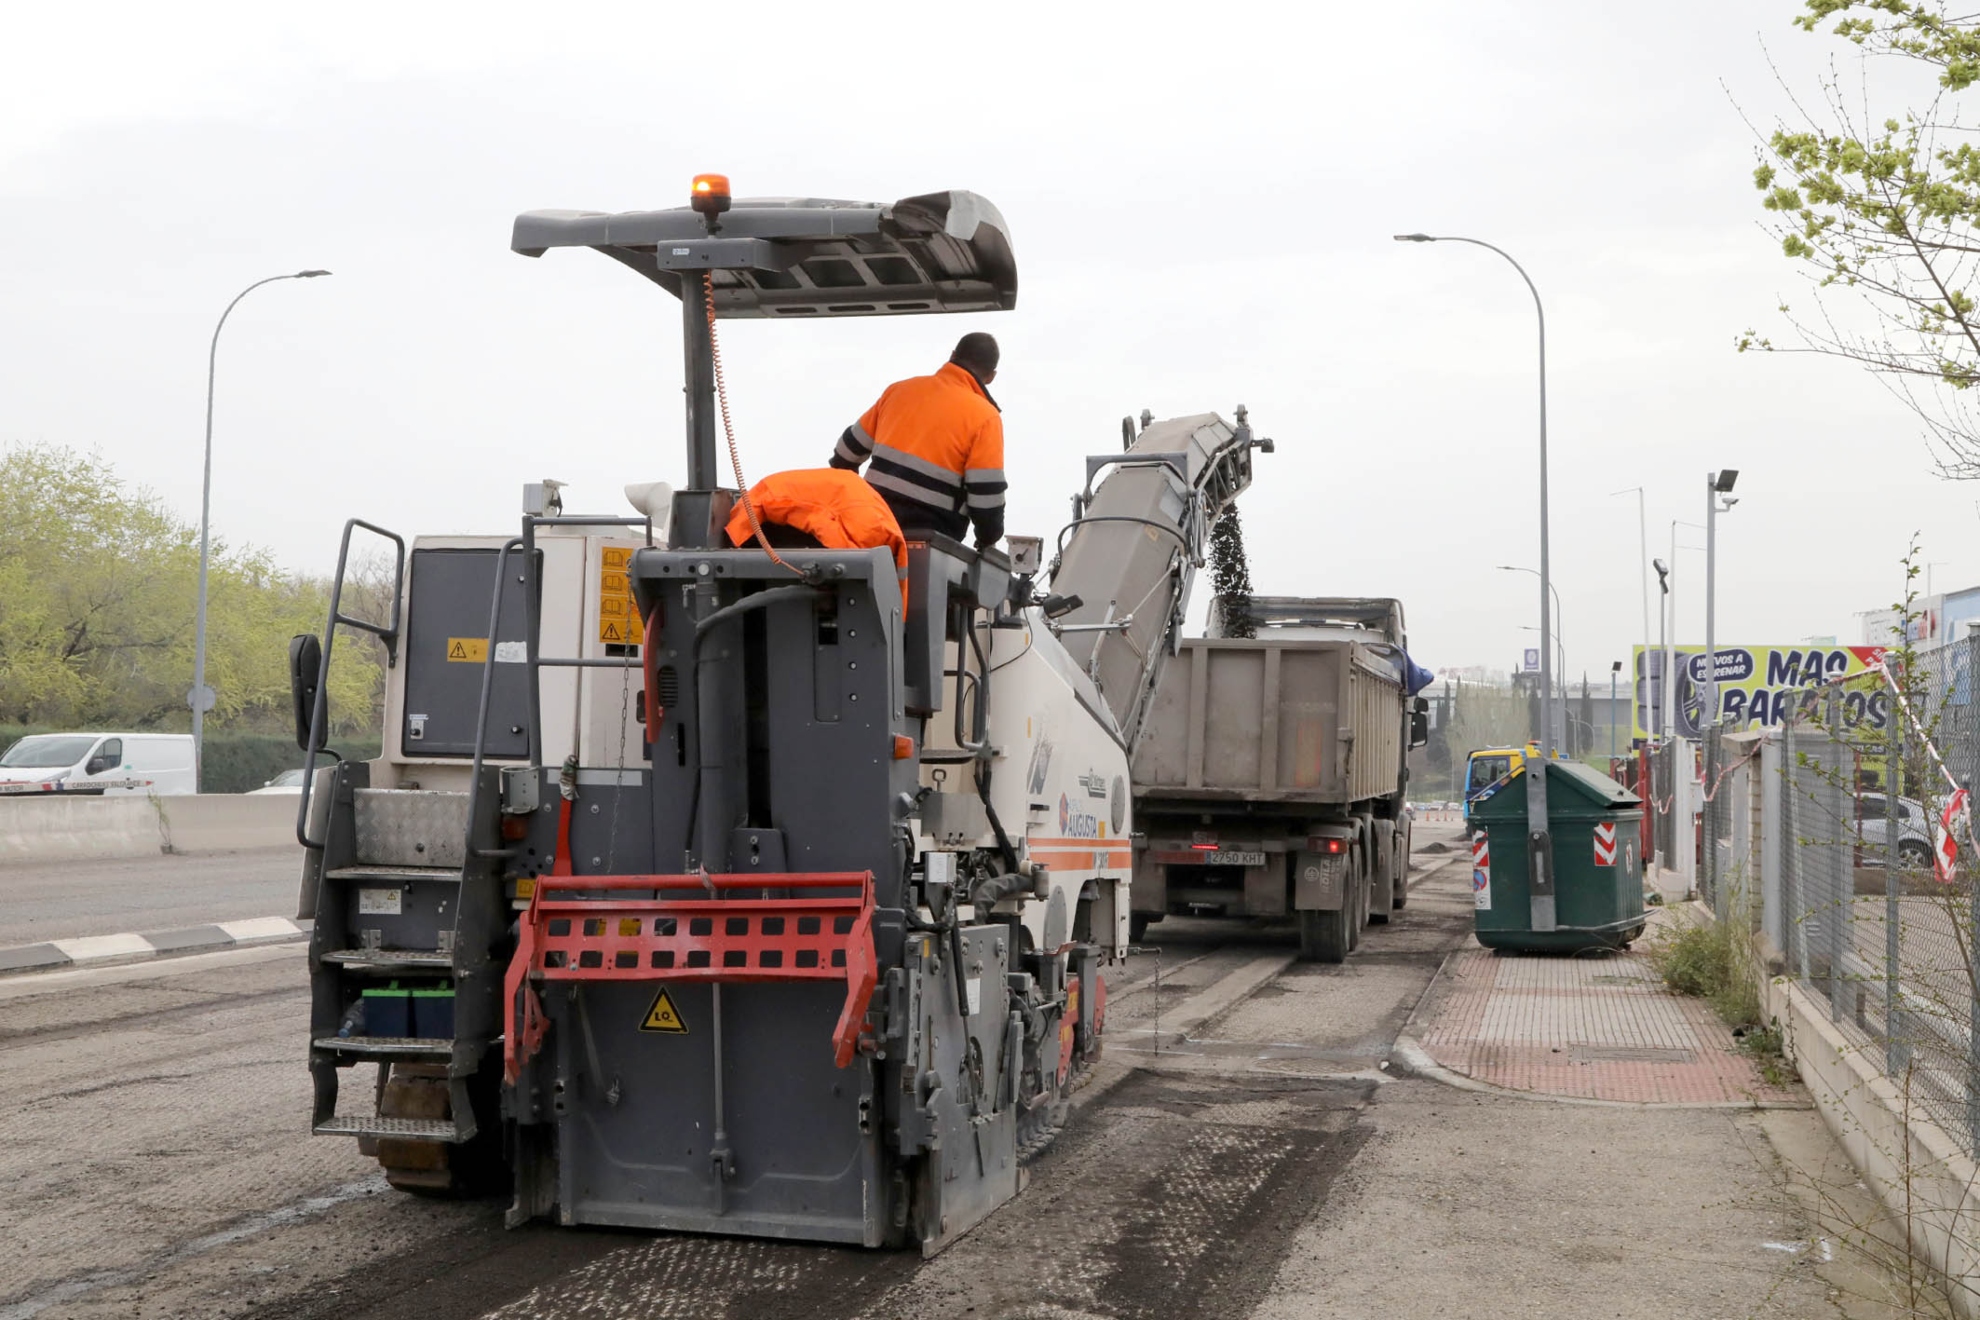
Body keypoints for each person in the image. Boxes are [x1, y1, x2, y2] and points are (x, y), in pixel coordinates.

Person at [830, 332, 1006, 549]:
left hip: (871, 526)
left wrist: (853, 505)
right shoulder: (986, 418)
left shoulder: (899, 391)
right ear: (991, 377)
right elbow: (986, 497)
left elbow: (844, 455)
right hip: (929, 542)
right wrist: (988, 538)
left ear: (952, 355)